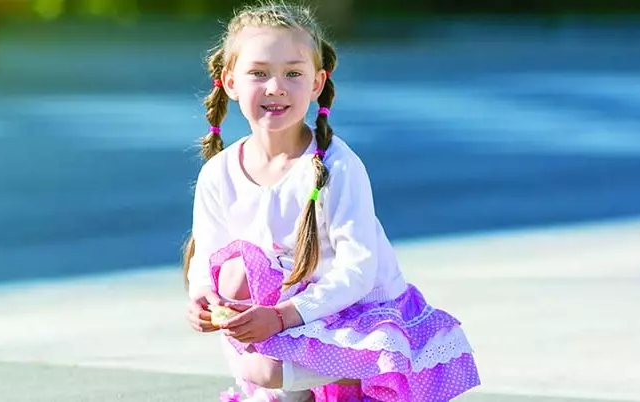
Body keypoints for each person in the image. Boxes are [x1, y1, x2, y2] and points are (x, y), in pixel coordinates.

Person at [182, 2, 481, 401]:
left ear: (317, 83)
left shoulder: (337, 166)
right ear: (231, 82)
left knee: (262, 369)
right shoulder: (218, 172)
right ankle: (294, 388)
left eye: (293, 73)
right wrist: (203, 296)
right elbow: (208, 255)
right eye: (259, 73)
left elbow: (358, 271)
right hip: (282, 311)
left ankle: (360, 373)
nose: (275, 87)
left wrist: (282, 317)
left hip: (353, 312)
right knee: (232, 274)